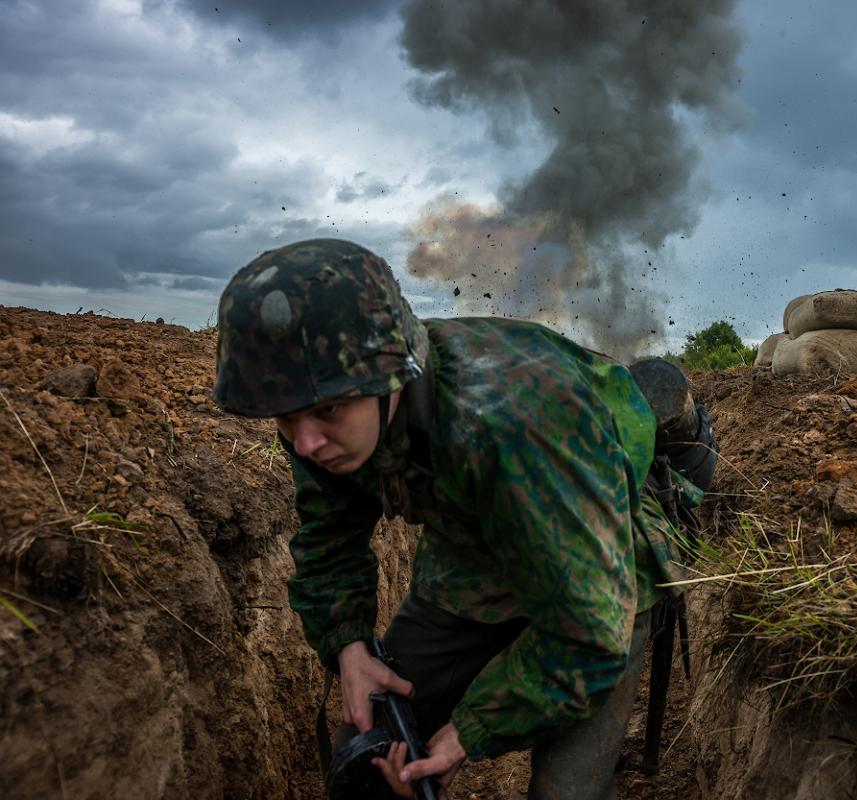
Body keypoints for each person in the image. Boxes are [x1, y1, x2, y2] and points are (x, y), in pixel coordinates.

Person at [212, 239, 711, 799]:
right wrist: (348, 646)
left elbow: (589, 635)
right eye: (286, 418)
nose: (305, 442)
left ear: (393, 376)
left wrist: (467, 734)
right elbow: (329, 537)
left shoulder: (517, 423)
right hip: (472, 554)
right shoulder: (324, 413)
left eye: (328, 411)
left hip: (594, 566)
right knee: (367, 755)